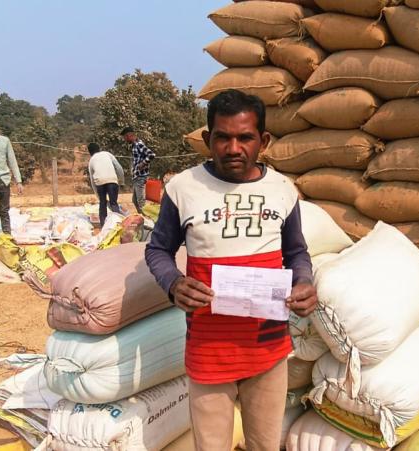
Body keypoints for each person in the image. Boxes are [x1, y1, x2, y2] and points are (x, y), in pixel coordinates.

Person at [146, 89, 317, 451]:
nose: (233, 148)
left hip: (267, 349)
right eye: (223, 137)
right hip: (208, 350)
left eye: (245, 138)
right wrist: (173, 283)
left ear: (263, 141)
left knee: (265, 445)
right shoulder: (183, 189)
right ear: (209, 139)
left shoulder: (282, 190)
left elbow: (297, 252)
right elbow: (158, 249)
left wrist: (304, 281)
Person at [87, 142, 125, 228]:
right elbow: (119, 168)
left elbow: (92, 180)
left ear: (90, 152)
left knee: (102, 204)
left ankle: (103, 225)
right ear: (99, 149)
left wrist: (98, 195)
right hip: (112, 180)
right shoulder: (107, 154)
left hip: (100, 182)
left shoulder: (91, 160)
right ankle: (117, 225)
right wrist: (121, 181)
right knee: (113, 203)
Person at [121, 126, 156, 214]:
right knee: (135, 200)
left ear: (129, 135)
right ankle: (142, 216)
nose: (125, 139)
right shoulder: (134, 145)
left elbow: (151, 154)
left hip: (141, 176)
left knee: (140, 202)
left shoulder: (138, 144)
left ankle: (146, 219)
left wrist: (143, 163)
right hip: (137, 176)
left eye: (125, 137)